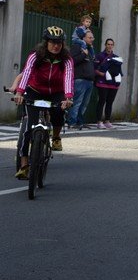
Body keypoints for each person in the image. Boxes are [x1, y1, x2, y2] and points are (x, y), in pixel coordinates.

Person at [13, 27, 74, 179]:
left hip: (56, 93)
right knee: (28, 128)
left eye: (59, 43)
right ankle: (24, 165)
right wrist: (19, 92)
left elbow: (68, 77)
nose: (56, 46)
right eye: (52, 42)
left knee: (59, 112)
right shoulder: (36, 55)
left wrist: (68, 97)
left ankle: (56, 137)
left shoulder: (66, 59)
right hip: (35, 90)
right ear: (46, 42)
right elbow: (27, 72)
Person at [67, 29, 95, 130]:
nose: (92, 39)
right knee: (77, 102)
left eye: (92, 37)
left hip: (89, 81)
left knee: (84, 104)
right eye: (90, 37)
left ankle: (79, 122)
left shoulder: (89, 48)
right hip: (80, 80)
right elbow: (72, 61)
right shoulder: (77, 46)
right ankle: (72, 122)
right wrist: (83, 54)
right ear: (83, 38)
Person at [94, 38, 123, 129]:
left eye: (111, 44)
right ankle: (99, 121)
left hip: (113, 84)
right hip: (102, 83)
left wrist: (118, 80)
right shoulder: (99, 56)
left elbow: (119, 71)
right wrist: (101, 74)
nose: (110, 46)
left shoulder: (116, 57)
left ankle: (107, 121)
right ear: (105, 45)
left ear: (113, 46)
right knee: (101, 101)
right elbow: (94, 69)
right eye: (108, 44)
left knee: (110, 102)